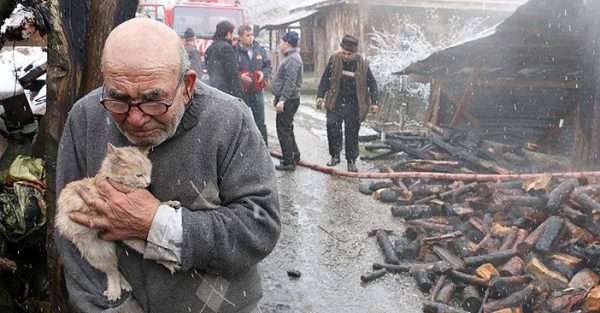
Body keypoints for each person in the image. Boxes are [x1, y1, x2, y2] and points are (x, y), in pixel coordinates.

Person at [55, 18, 280, 313]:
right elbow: (69, 236)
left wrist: (157, 224)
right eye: (119, 99)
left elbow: (259, 227)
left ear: (187, 86)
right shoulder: (85, 117)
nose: (135, 118)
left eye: (154, 100)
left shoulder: (230, 120)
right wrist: (110, 308)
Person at [316, 34, 380, 172]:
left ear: (355, 52)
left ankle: (351, 161)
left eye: (348, 53)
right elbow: (325, 78)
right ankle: (335, 155)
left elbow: (372, 84)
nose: (345, 55)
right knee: (332, 126)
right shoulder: (334, 59)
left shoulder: (362, 64)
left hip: (354, 103)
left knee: (352, 132)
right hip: (335, 101)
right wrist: (320, 96)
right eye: (343, 52)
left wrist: (374, 102)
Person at [270, 31, 303, 171]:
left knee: (283, 130)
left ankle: (289, 161)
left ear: (287, 43)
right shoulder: (290, 57)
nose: (279, 44)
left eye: (281, 42)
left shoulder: (292, 59)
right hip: (288, 98)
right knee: (287, 128)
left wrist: (282, 100)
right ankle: (294, 155)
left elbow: (290, 82)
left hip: (289, 99)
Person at [235, 24, 271, 146]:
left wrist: (263, 73)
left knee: (260, 121)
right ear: (240, 37)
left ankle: (264, 148)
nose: (251, 38)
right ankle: (244, 148)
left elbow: (268, 66)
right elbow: (230, 71)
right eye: (247, 35)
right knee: (242, 121)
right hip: (242, 92)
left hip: (257, 91)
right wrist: (240, 76)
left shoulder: (259, 49)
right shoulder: (234, 51)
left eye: (252, 35)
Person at [204, 20, 243, 97]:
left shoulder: (210, 48)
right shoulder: (227, 49)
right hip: (226, 91)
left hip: (213, 88)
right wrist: (239, 91)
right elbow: (232, 73)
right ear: (228, 34)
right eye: (232, 33)